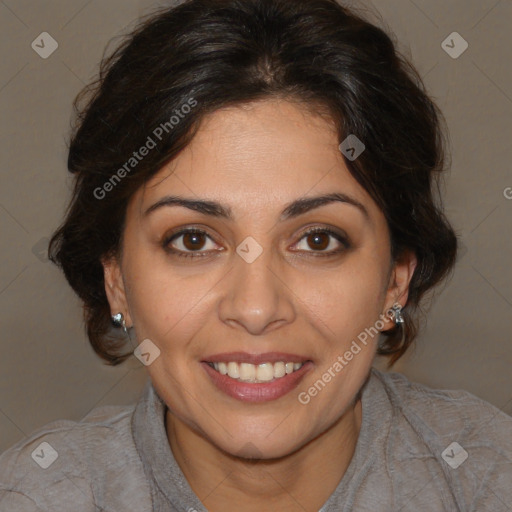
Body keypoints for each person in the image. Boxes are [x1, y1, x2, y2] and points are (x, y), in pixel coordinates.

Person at [1, 0, 511, 510]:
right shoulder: (36, 495)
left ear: (396, 278)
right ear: (115, 278)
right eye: (194, 240)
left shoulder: (488, 479)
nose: (256, 308)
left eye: (317, 240)